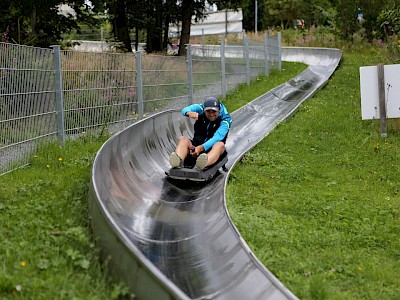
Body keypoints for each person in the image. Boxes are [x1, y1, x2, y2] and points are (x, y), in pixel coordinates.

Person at [169, 96, 232, 171]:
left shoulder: (226, 119)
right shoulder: (201, 108)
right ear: (204, 110)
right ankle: (178, 162)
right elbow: (184, 110)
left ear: (219, 110)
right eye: (208, 111)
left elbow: (217, 137)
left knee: (220, 145)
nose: (211, 114)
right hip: (196, 145)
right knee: (183, 139)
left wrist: (201, 148)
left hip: (212, 149)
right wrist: (189, 113)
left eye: (214, 111)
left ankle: (202, 164)